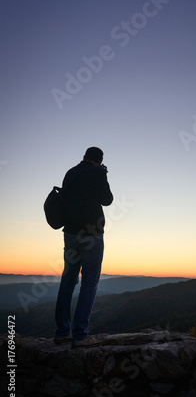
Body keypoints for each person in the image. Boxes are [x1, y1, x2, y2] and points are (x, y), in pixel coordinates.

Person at [54, 147, 113, 347]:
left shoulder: (70, 172)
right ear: (100, 160)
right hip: (91, 235)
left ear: (84, 157)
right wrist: (103, 174)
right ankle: (80, 336)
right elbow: (108, 200)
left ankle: (62, 332)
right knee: (89, 284)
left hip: (70, 233)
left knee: (68, 280)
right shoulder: (98, 172)